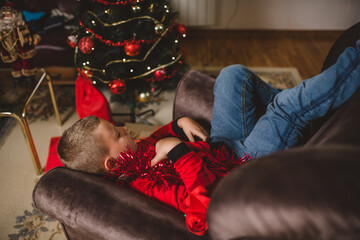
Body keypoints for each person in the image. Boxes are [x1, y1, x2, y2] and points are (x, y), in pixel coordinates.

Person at [57, 40, 360, 235]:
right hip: (240, 167)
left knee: (232, 75)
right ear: (112, 164)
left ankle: (303, 113)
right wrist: (177, 151)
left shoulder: (134, 153)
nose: (125, 129)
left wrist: (177, 126)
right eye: (117, 133)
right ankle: (352, 63)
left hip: (220, 149)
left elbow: (160, 139)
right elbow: (201, 213)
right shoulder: (144, 182)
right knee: (284, 109)